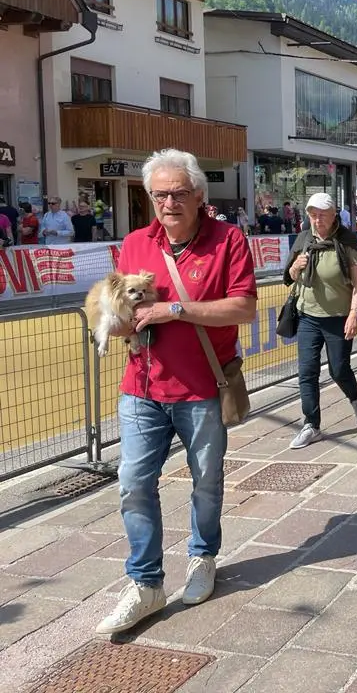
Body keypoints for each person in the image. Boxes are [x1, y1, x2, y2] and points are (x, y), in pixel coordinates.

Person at [94, 149, 258, 634]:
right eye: (160, 194)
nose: (169, 202)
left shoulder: (227, 239)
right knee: (133, 484)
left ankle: (203, 556)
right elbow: (122, 309)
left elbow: (245, 308)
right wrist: (118, 324)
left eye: (179, 193)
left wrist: (176, 312)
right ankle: (145, 584)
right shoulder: (135, 244)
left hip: (203, 388)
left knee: (206, 481)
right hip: (141, 388)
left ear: (199, 196)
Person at [283, 193, 357, 449]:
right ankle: (311, 425)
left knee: (339, 369)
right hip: (308, 316)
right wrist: (295, 267)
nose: (317, 219)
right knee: (307, 372)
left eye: (322, 214)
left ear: (334, 215)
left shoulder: (345, 241)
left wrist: (354, 312)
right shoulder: (304, 239)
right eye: (312, 213)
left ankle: (356, 398)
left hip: (338, 317)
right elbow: (289, 277)